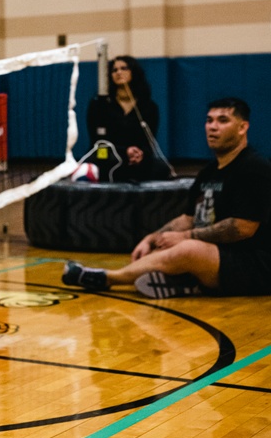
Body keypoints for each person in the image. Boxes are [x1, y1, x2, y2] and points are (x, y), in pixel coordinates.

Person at [63, 97, 271, 299]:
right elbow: (188, 218)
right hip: (221, 258)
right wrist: (152, 238)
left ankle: (107, 278)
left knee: (188, 248)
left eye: (223, 120)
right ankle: (187, 284)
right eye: (209, 120)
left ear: (243, 127)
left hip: (256, 266)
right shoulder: (209, 172)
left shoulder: (255, 168)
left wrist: (187, 237)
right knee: (167, 242)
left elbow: (242, 228)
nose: (213, 127)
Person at [85, 55, 170, 182]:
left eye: (124, 68)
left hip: (135, 160)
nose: (119, 72)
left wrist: (140, 155)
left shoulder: (149, 107)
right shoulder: (98, 104)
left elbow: (149, 143)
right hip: (105, 156)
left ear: (133, 72)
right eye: (114, 70)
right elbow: (97, 143)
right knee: (92, 166)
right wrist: (124, 152)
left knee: (162, 169)